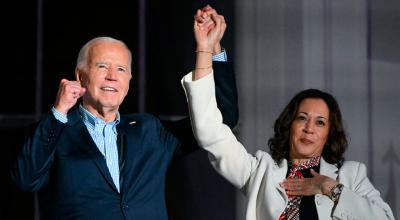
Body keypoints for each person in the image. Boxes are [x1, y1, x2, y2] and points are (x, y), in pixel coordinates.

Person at [10, 8, 237, 220]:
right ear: (80, 76)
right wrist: (59, 113)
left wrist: (212, 49)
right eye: (102, 66)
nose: (112, 76)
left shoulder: (150, 131)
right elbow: (25, 180)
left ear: (129, 80)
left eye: (121, 69)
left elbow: (222, 120)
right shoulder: (54, 131)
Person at [181, 11, 395, 220]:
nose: (309, 128)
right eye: (302, 118)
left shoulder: (351, 175)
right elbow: (210, 132)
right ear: (289, 124)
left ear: (329, 134)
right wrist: (206, 50)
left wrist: (328, 187)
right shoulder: (260, 172)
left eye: (320, 122)